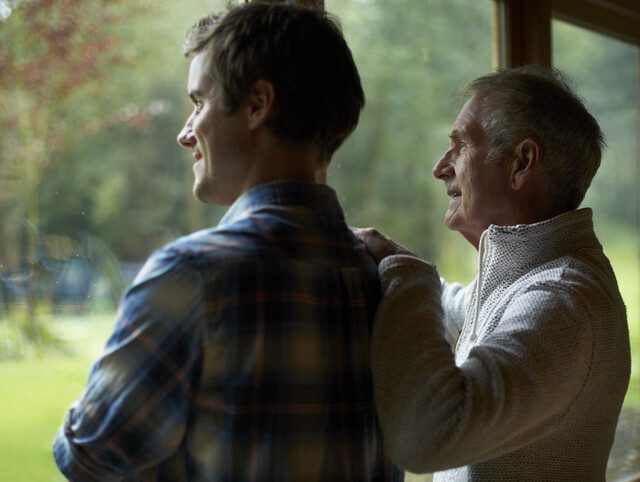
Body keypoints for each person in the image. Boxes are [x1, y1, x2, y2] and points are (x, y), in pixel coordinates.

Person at [53, 2, 401, 480]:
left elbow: (88, 457)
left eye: (199, 102)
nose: (185, 132)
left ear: (257, 104)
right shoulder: (383, 279)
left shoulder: (192, 275)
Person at [356, 66, 631, 481]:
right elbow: (453, 306)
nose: (439, 167)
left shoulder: (563, 300)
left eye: (460, 145)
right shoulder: (532, 281)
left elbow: (430, 434)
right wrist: (393, 261)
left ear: (522, 163)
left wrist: (409, 278)